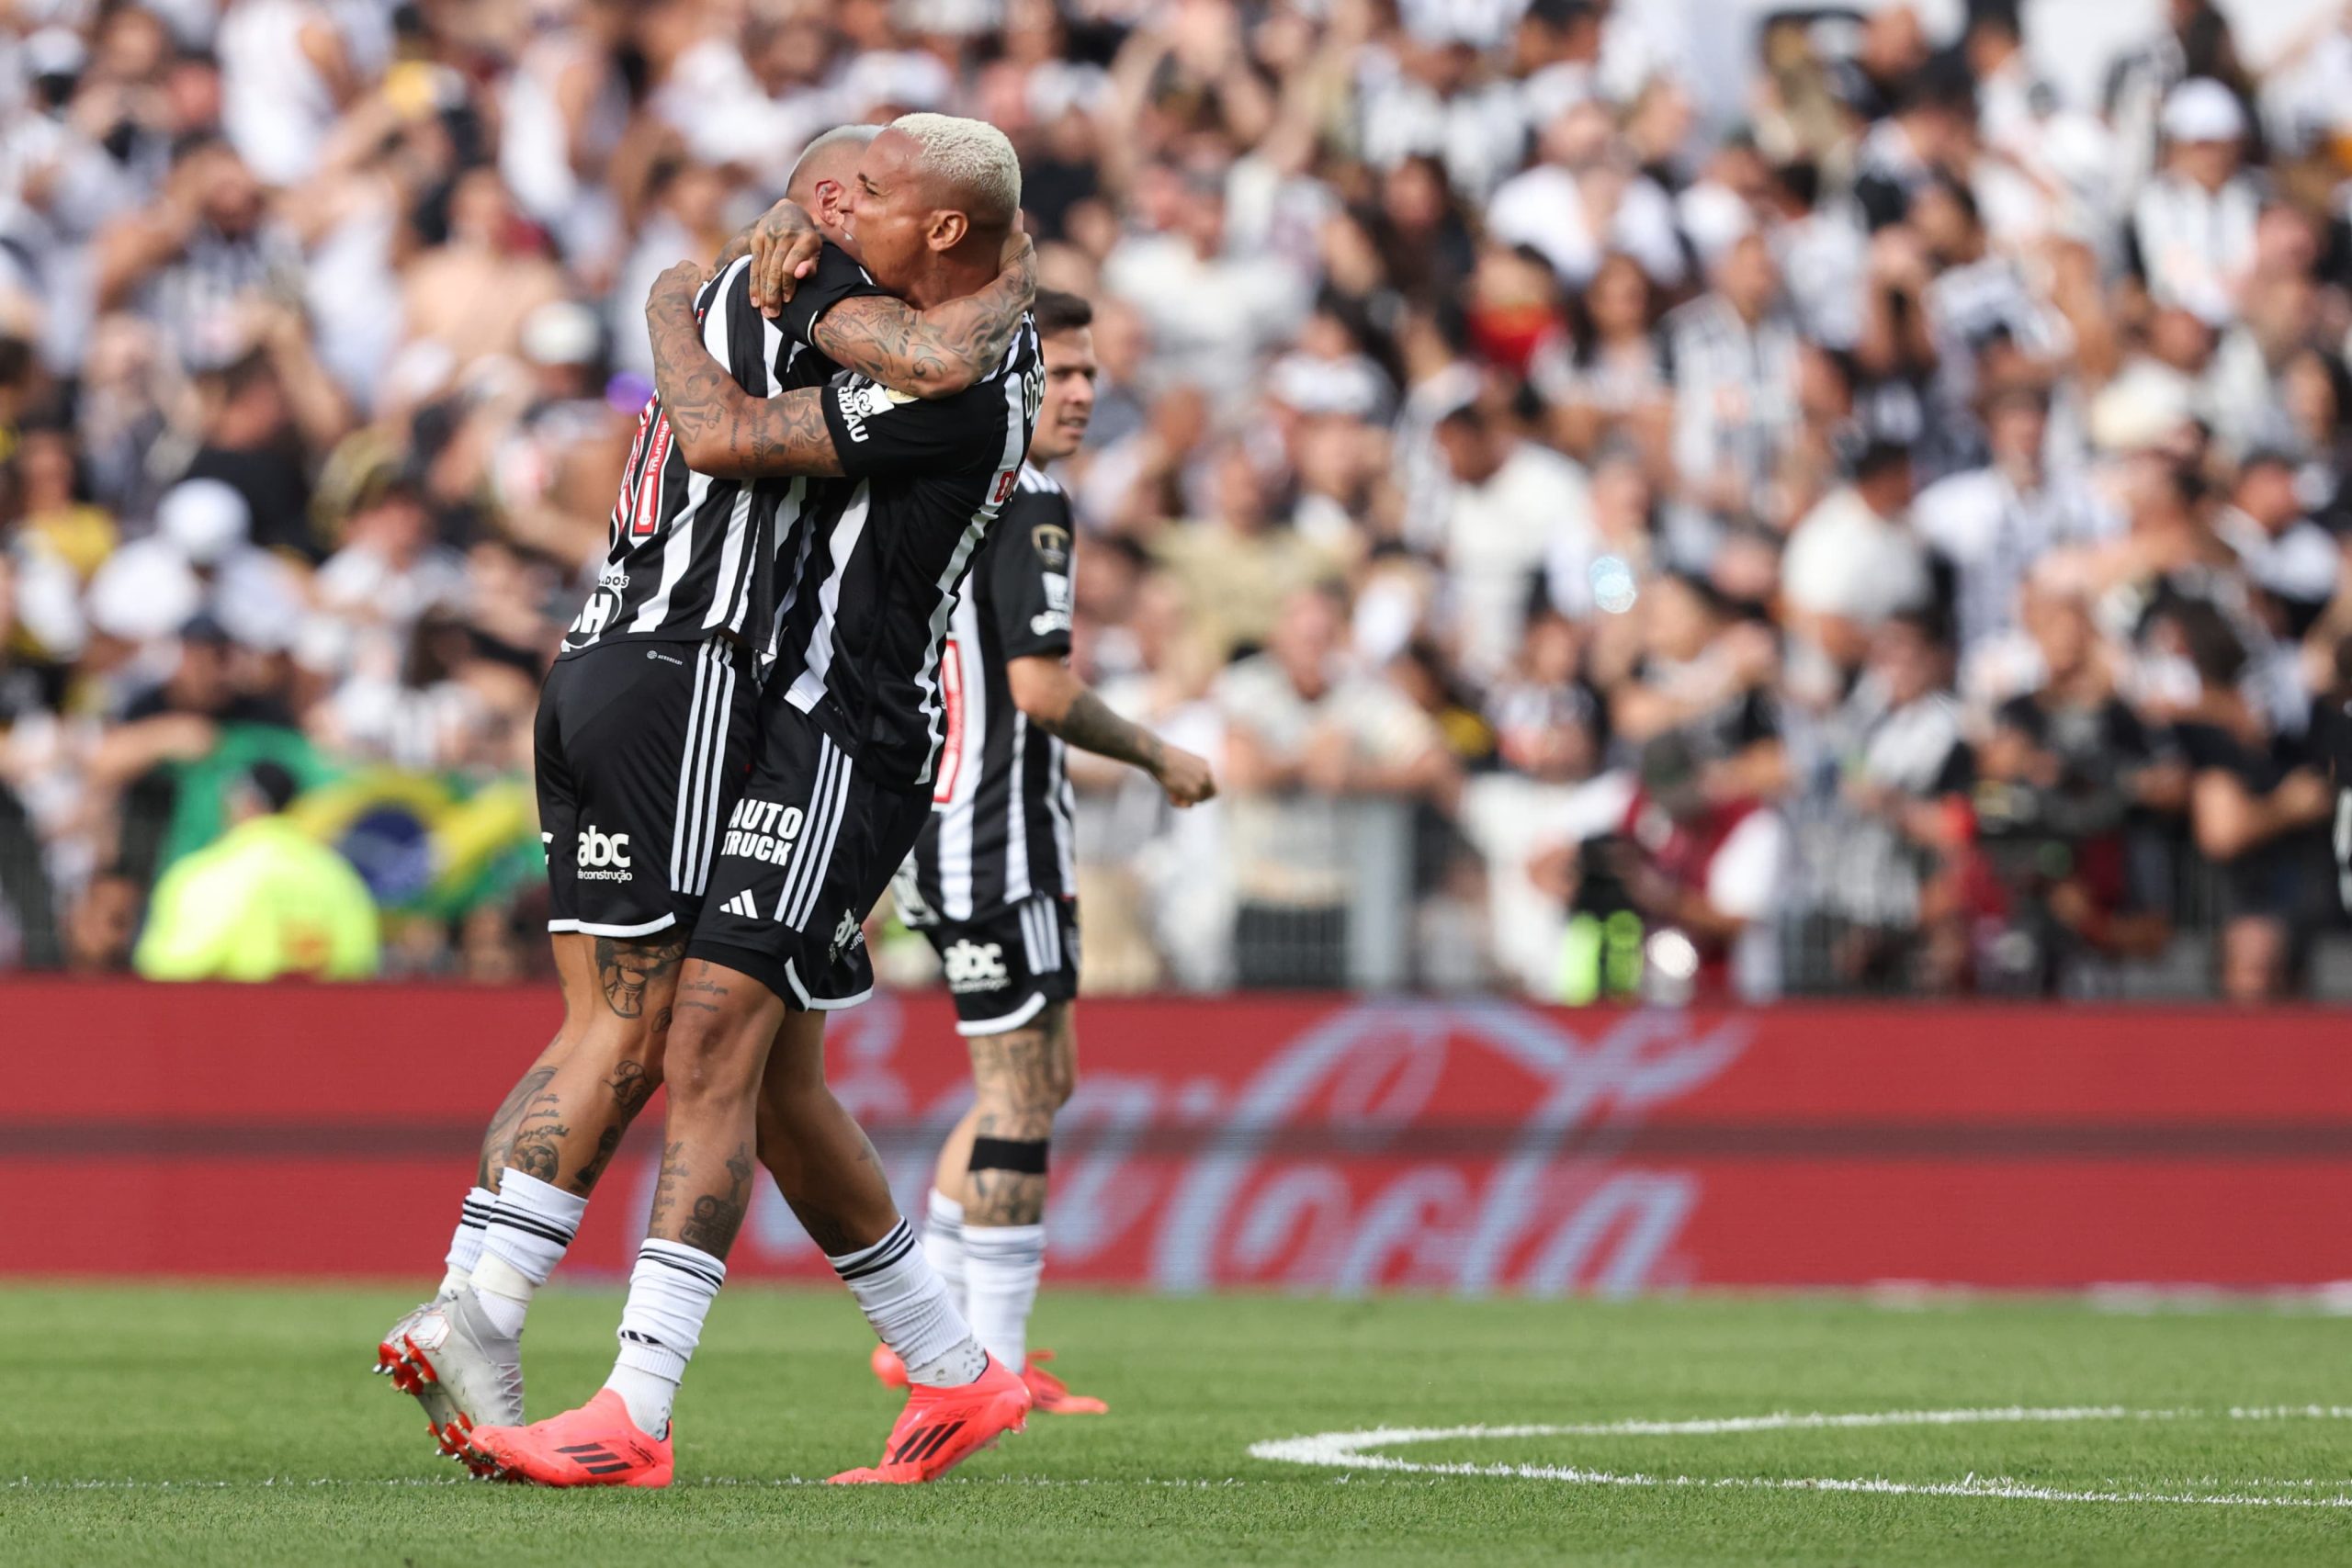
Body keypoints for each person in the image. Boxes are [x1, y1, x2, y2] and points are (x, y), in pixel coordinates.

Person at [374, 122, 1038, 1467]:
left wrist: (673, 294)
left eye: (870, 197)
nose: (837, 212)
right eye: (830, 192)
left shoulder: (952, 370)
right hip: (773, 715)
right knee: (777, 1078)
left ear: (949, 233)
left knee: (703, 1033)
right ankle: (956, 1366)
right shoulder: (861, 291)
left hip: (851, 730)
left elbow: (726, 430)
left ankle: (632, 1405)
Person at [878, 289, 1215, 1416]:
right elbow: (1040, 686)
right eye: (1058, 374)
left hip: (1003, 828)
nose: (1076, 394)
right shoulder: (1025, 502)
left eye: (1087, 377)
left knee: (1037, 1079)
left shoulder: (956, 490)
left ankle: (943, 1338)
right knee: (1017, 1092)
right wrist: (1161, 753)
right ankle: (987, 1363)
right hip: (988, 834)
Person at [132, 759, 377, 981]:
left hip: (232, 1024)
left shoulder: (207, 874)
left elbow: (166, 969)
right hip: (325, 1024)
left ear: (246, 803)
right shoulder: (339, 877)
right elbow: (361, 966)